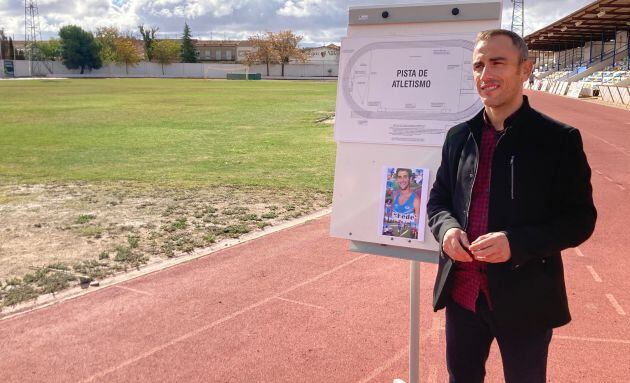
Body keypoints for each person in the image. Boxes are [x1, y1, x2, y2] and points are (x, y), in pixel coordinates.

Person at [427, 29, 596, 383]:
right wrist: (447, 230)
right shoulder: (458, 137)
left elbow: (580, 220)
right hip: (463, 295)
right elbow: (439, 201)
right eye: (478, 65)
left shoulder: (559, 140)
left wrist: (516, 244)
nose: (485, 74)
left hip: (526, 299)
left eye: (497, 62)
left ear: (525, 70)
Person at [391, 168, 421, 238]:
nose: (402, 180)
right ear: (397, 179)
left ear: (410, 179)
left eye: (405, 177)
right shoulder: (395, 195)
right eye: (400, 177)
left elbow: (417, 224)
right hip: (392, 237)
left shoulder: (416, 199)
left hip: (407, 239)